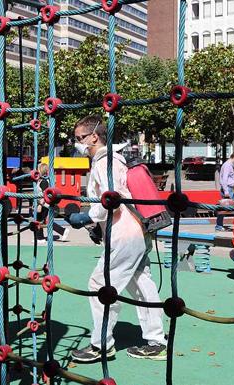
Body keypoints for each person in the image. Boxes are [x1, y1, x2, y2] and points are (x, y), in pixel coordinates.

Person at [66, 115, 167, 363]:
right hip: (136, 232)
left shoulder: (104, 161)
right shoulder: (114, 159)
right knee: (142, 286)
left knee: (100, 285)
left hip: (124, 234)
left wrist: (86, 217)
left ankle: (101, 345)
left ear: (94, 137)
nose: (78, 144)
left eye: (80, 138)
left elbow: (114, 198)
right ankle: (157, 342)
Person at [36, 163, 70, 243]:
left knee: (39, 220)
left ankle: (40, 238)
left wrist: (40, 205)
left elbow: (45, 194)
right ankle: (62, 231)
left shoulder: (44, 181)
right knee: (43, 221)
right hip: (43, 203)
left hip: (43, 204)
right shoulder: (42, 180)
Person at [216, 153, 234, 231]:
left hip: (230, 189)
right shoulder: (227, 165)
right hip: (228, 189)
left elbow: (230, 176)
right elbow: (224, 179)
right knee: (226, 208)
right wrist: (226, 191)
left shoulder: (228, 165)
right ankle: (219, 225)